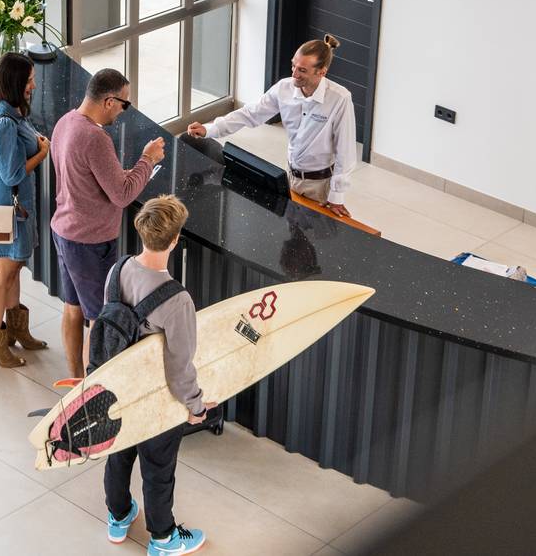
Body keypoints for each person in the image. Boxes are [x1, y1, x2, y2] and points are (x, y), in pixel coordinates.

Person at [102, 195, 213, 555]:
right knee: (158, 466)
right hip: (156, 398)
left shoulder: (118, 270)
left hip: (118, 387)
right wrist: (196, 406)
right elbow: (180, 366)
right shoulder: (177, 300)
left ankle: (119, 515)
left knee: (119, 453)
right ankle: (163, 539)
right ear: (175, 239)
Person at [50, 68, 165, 379]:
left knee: (72, 308)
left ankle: (76, 380)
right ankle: (92, 388)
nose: (124, 111)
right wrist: (148, 159)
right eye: (125, 104)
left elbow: (86, 179)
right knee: (98, 320)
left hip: (64, 231)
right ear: (109, 101)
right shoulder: (95, 137)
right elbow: (122, 195)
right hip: (90, 242)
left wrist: (121, 174)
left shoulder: (66, 122)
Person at [188, 35, 357, 217]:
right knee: (291, 229)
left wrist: (337, 196)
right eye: (293, 65)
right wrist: (211, 129)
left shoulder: (340, 99)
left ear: (321, 72)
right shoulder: (284, 88)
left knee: (316, 233)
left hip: (320, 185)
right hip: (290, 177)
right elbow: (250, 113)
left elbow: (345, 151)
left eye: (302, 70)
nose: (294, 74)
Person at [0, 53, 50, 368]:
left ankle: (16, 332)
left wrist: (36, 141)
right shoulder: (5, 123)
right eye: (29, 80)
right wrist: (42, 153)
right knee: (2, 274)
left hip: (13, 205)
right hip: (6, 205)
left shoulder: (9, 112)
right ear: (15, 82)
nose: (33, 85)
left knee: (14, 268)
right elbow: (12, 175)